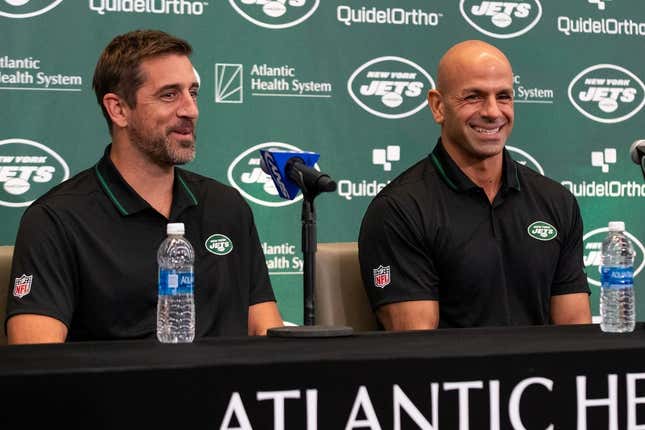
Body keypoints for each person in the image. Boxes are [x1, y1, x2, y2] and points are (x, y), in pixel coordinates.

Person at [5, 30, 283, 344]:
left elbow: (265, 331)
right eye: (169, 94)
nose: (190, 109)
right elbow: (38, 363)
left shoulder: (226, 206)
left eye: (193, 92)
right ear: (118, 109)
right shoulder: (56, 220)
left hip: (227, 392)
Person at [358, 40, 591, 331]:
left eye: (503, 96)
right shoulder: (399, 210)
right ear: (438, 106)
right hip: (453, 377)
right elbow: (415, 347)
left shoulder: (556, 201)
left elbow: (576, 331)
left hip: (541, 377)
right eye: (474, 97)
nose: (493, 111)